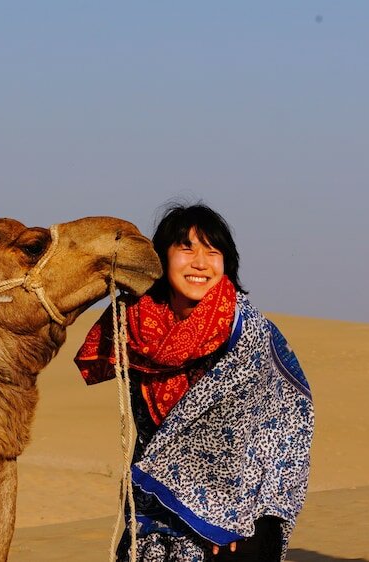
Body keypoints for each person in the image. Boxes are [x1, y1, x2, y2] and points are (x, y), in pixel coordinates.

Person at [75, 202, 314, 561]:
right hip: (152, 518)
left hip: (236, 526)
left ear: (226, 263)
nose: (200, 262)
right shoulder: (132, 324)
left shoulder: (249, 336)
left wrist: (232, 516)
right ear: (162, 258)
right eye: (186, 248)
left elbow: (287, 427)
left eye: (212, 251)